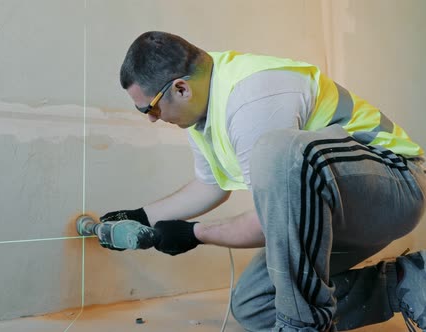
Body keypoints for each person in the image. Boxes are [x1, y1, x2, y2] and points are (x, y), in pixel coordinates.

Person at [96, 31, 426, 332]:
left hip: (397, 183)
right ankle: (407, 281)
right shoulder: (202, 112)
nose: (153, 119)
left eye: (149, 109)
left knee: (279, 152)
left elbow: (273, 221)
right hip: (338, 207)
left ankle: (302, 325)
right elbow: (210, 186)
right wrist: (139, 216)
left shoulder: (252, 97)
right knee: (254, 304)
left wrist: (195, 233)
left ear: (181, 88)